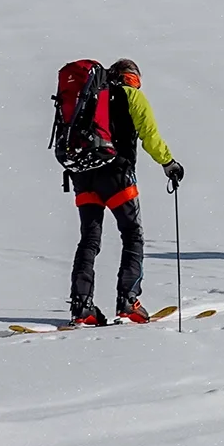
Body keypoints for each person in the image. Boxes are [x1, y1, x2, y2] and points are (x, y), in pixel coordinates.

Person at [68, 58, 184, 325]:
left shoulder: (90, 98)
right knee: (132, 236)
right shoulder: (132, 95)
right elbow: (150, 136)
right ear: (132, 77)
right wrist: (169, 163)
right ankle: (128, 301)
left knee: (89, 239)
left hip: (84, 175)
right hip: (117, 176)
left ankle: (82, 305)